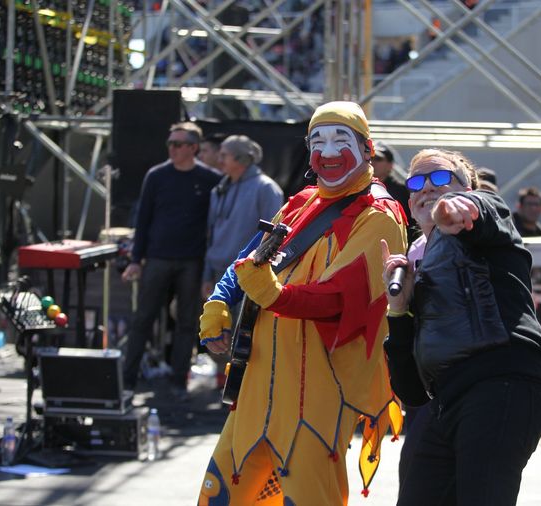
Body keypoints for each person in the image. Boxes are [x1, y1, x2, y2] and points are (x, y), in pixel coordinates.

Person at [196, 101, 407, 505]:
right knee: (220, 497)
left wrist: (272, 294)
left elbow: (341, 299)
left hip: (317, 395)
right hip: (257, 389)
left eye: (340, 140)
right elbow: (248, 260)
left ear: (367, 148)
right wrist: (220, 301)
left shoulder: (380, 215)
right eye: (317, 141)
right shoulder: (301, 202)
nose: (327, 152)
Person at [381, 148, 541, 506]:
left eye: (441, 178)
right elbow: (411, 390)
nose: (428, 188)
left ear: (467, 187)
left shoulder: (486, 220)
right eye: (416, 182)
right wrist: (398, 309)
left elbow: (485, 210)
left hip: (500, 385)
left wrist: (458, 206)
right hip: (443, 401)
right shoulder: (413, 261)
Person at [122, 122, 222, 398]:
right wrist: (136, 259)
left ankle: (179, 380)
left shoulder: (210, 179)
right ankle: (127, 380)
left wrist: (211, 268)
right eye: (170, 144)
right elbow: (143, 220)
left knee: (188, 322)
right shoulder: (156, 176)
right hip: (157, 257)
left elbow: (217, 223)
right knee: (143, 318)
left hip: (192, 260)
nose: (172, 149)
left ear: (193, 148)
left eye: (178, 144)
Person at [202, 135, 283, 298]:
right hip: (218, 272)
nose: (219, 160)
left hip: (248, 274)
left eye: (224, 155)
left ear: (241, 159)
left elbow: (272, 237)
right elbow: (211, 234)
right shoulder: (220, 188)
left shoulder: (266, 188)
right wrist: (207, 276)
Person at [371, 141, 418, 240]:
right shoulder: (358, 189)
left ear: (390, 165)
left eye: (378, 159)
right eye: (370, 158)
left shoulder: (403, 191)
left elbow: (412, 224)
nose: (373, 162)